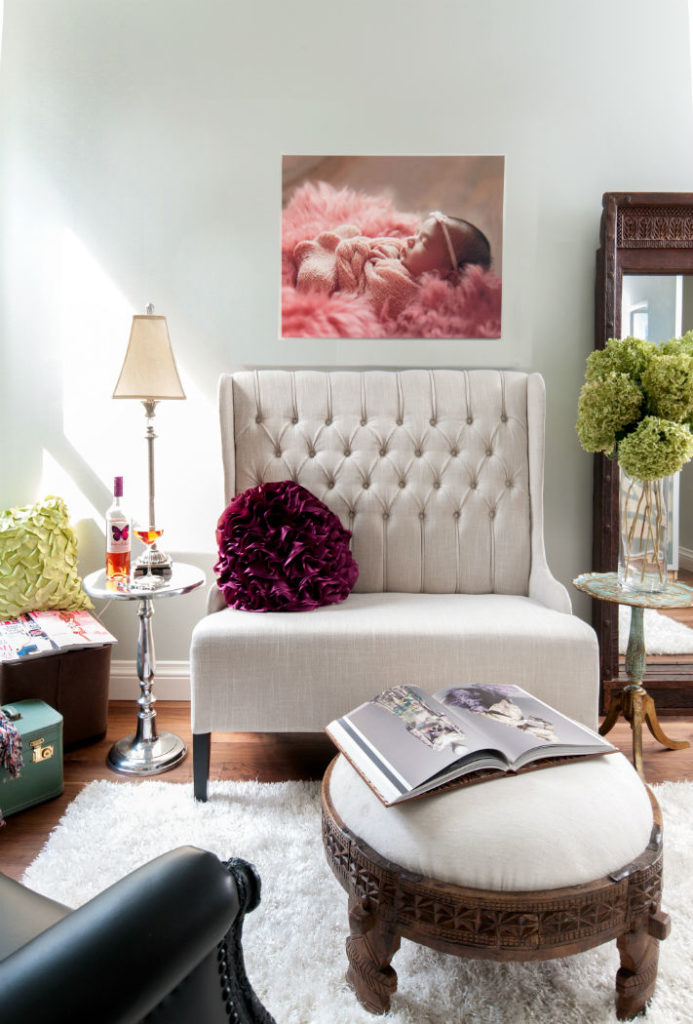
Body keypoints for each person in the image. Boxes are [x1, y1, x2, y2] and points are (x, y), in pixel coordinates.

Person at [293, 211, 491, 319]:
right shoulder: (408, 258)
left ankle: (322, 254)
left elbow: (370, 296)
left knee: (315, 280)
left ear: (447, 274)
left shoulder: (408, 293)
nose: (411, 240)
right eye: (417, 234)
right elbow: (384, 246)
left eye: (424, 242)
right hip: (355, 259)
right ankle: (335, 247)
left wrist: (355, 255)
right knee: (357, 235)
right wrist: (368, 249)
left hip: (342, 276)